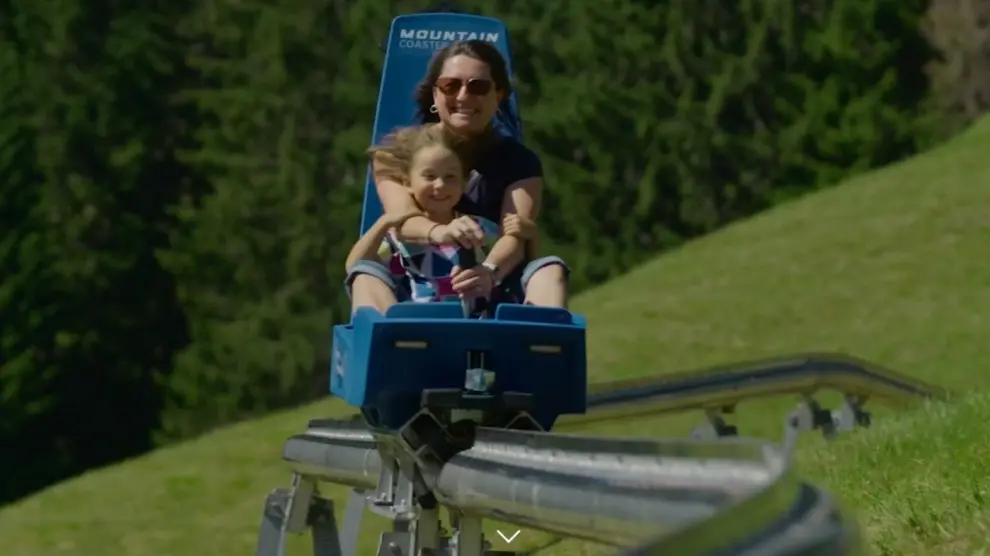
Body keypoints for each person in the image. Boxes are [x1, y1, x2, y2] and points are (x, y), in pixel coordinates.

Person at [347, 39, 569, 315]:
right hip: (411, 282)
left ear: (498, 95)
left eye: (478, 87)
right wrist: (440, 232)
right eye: (450, 86)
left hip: (492, 283)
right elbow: (404, 218)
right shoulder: (397, 154)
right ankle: (398, 335)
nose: (463, 96)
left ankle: (538, 338)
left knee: (550, 270)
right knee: (364, 275)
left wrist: (488, 271)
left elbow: (514, 233)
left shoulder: (519, 162)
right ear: (435, 93)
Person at [345, 124, 524, 315]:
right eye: (429, 176)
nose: (440, 185)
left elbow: (514, 253)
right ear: (408, 183)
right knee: (364, 275)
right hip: (418, 324)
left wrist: (490, 269)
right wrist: (385, 222)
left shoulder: (475, 228)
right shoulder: (398, 236)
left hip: (472, 322)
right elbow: (356, 267)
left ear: (464, 183)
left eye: (450, 177)